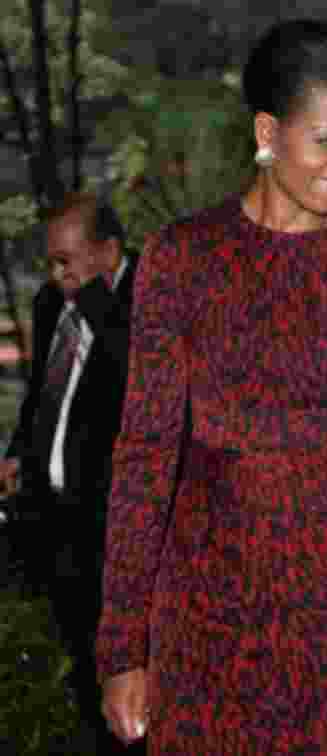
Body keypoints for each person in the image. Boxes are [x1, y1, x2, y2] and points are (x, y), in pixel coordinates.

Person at [97, 19, 327, 755]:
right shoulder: (182, 260)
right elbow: (143, 456)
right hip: (208, 602)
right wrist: (122, 645)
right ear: (269, 131)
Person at [1, 193, 138, 753]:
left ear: (108, 250)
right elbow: (41, 396)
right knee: (84, 667)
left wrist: (100, 305)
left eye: (68, 261)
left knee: (128, 677)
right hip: (60, 523)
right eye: (51, 261)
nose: (58, 276)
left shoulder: (146, 302)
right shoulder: (50, 303)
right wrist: (17, 454)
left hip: (121, 531)